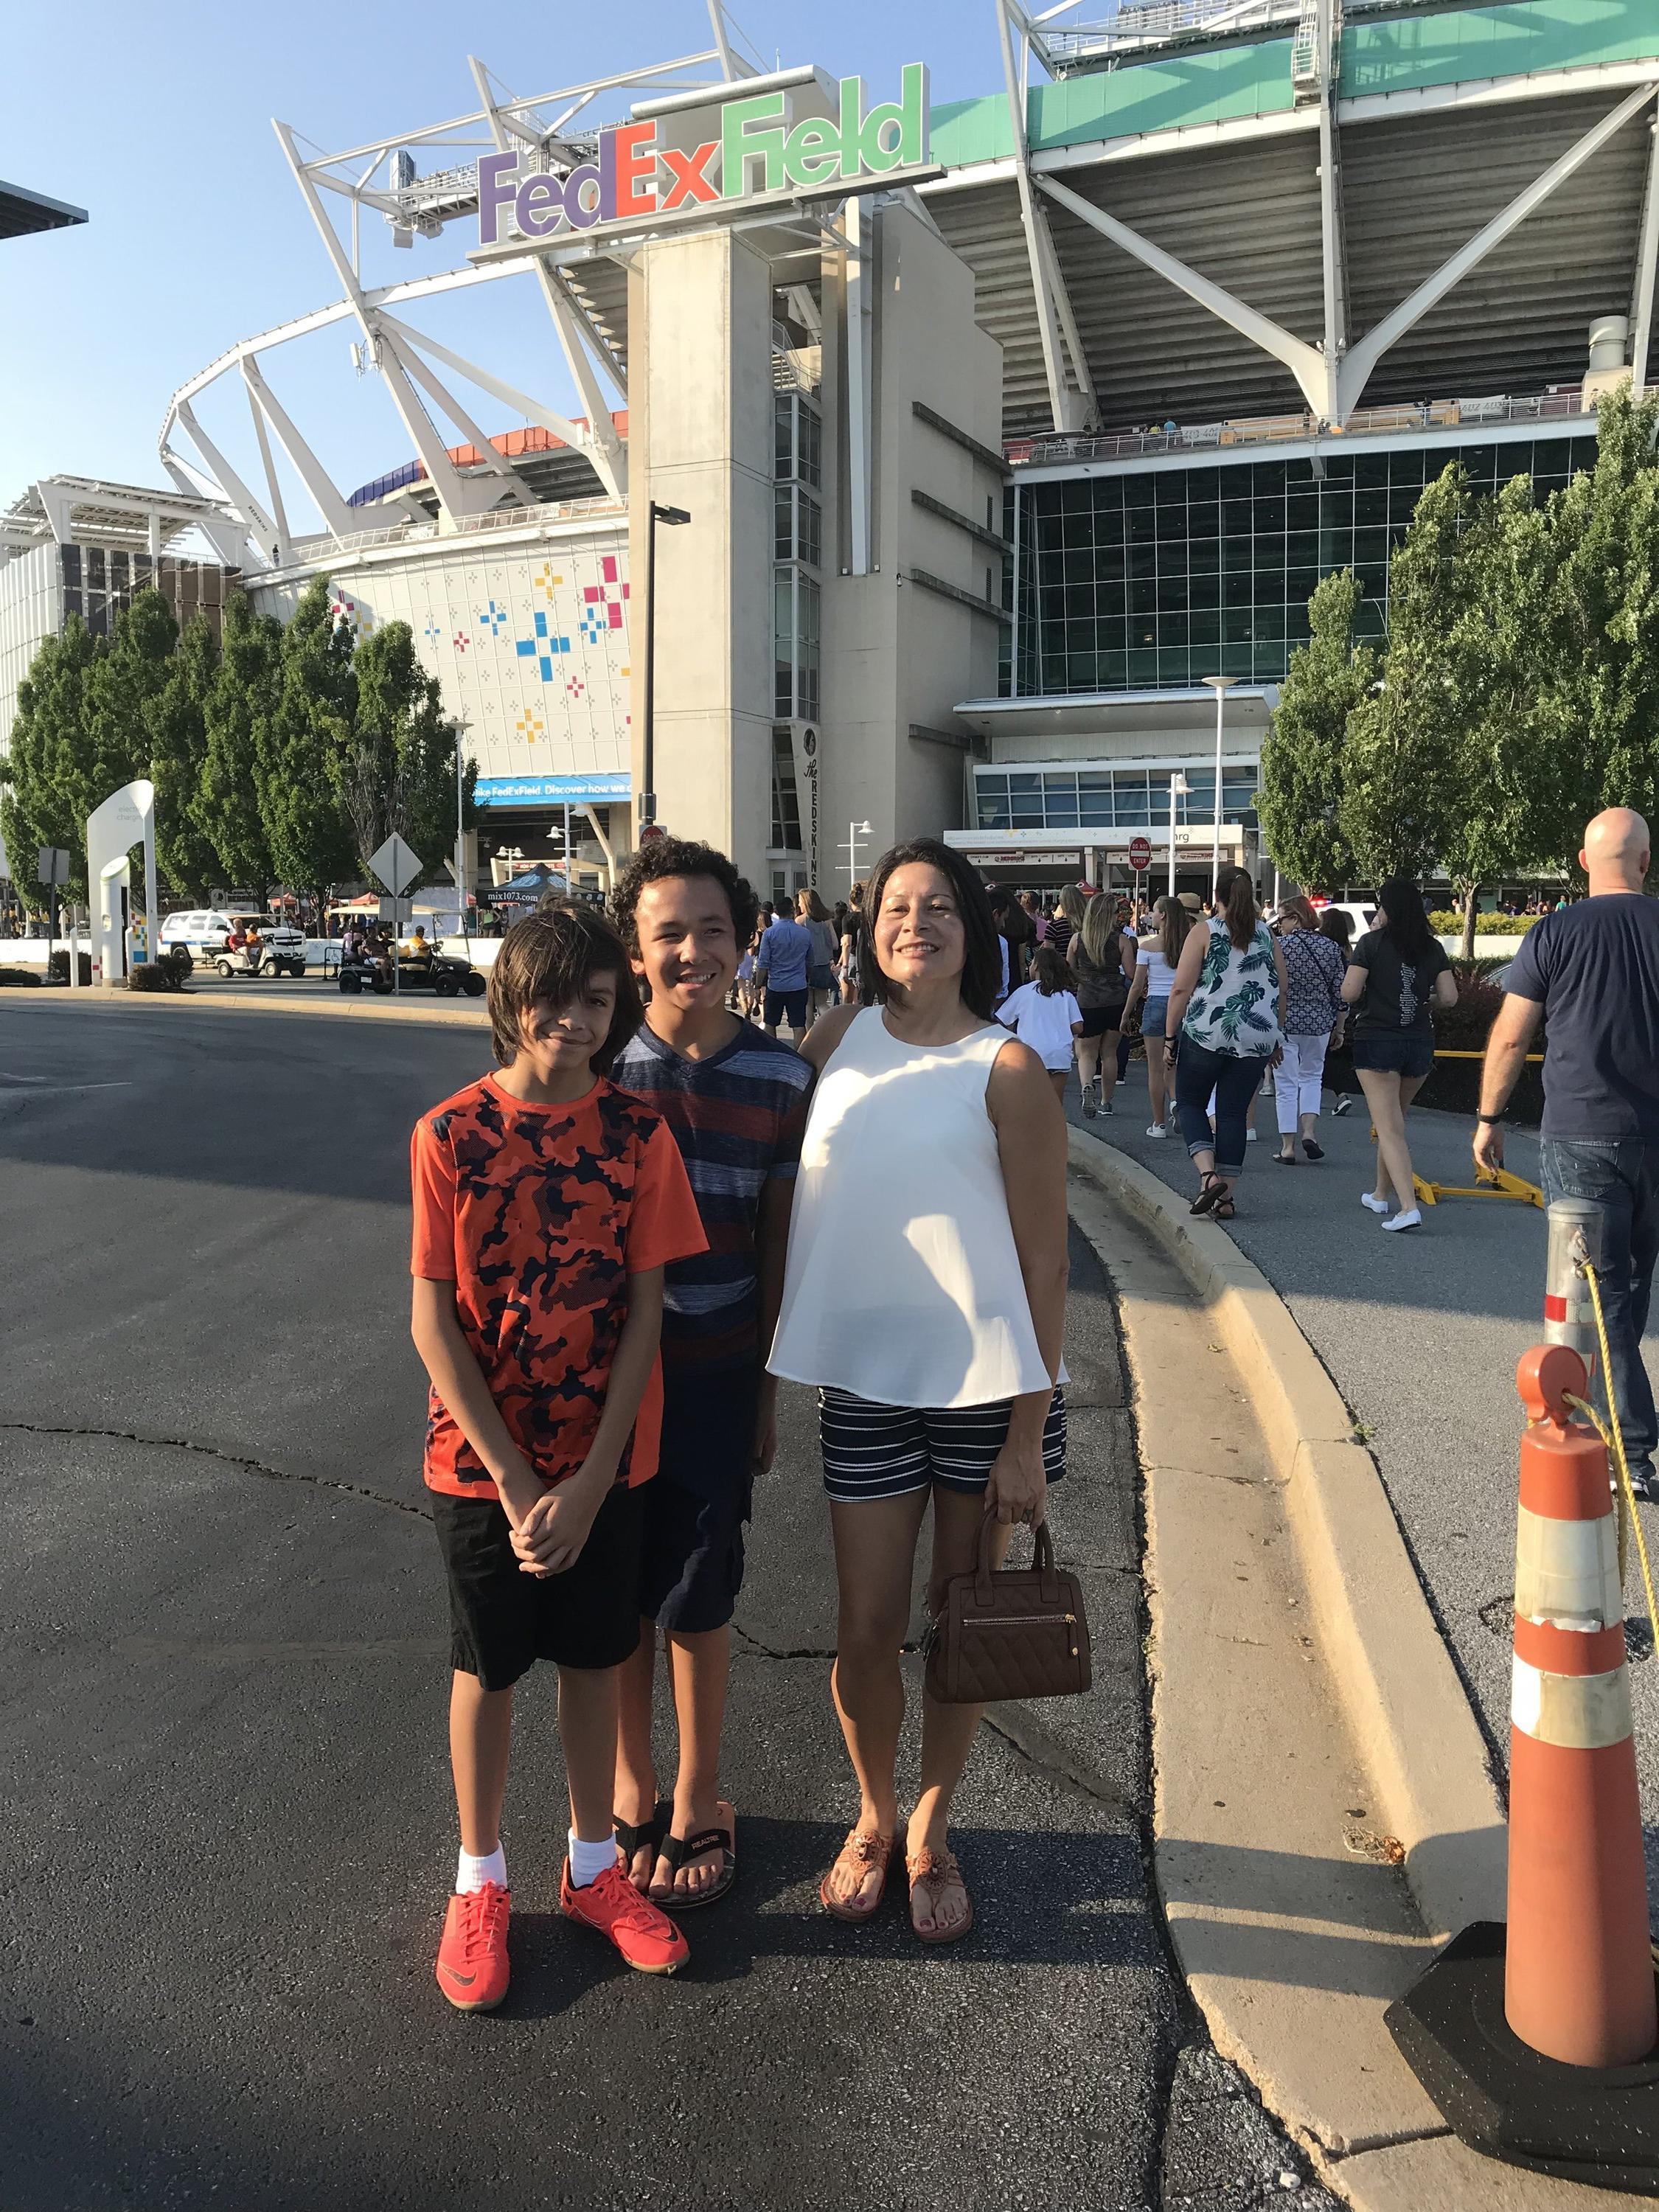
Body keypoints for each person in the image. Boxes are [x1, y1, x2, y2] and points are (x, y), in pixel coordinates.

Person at [768, 838, 1068, 1944]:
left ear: (970, 928)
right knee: (864, 1628)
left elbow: (1045, 1261)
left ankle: (931, 1830)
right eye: (897, 906)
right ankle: (874, 1813)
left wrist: (1029, 1435)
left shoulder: (1007, 1067)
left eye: (939, 906)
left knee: (960, 1621)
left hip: (987, 1394)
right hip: (865, 1384)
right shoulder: (834, 1038)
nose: (917, 922)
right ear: (869, 929)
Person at [410, 904, 709, 2012]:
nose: (573, 1019)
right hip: (478, 1466)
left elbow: (645, 1317)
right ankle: (478, 1879)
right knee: (487, 1669)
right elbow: (433, 1322)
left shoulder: (639, 1136)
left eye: (596, 1000)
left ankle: (593, 1868)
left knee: (594, 1660)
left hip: (603, 1471)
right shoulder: (448, 1134)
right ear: (511, 997)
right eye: (553, 996)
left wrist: (587, 1483)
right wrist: (515, 1479)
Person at [610, 840, 815, 1902]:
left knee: (698, 1587)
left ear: (746, 942)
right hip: (605, 1386)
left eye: (713, 931)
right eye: (668, 934)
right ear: (634, 951)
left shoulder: (782, 1078)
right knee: (617, 1587)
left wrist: (767, 1391)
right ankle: (630, 1783)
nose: (692, 952)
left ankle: (697, 1793)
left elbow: (776, 1246)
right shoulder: (601, 1068)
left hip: (718, 1371)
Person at [1477, 807, 1659, 1498]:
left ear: (1584, 863)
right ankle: (1619, 1420)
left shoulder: (1553, 933)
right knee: (1629, 1287)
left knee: (1595, 1296)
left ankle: (1624, 1449)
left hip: (1581, 1134)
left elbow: (1511, 1035)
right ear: (1645, 862)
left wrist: (1489, 1118)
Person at [1164, 865, 1287, 1222]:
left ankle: (1209, 1177)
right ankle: (1226, 1199)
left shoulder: (1205, 931)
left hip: (1208, 1031)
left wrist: (1170, 1037)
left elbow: (1181, 989)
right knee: (1233, 1113)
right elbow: (1281, 988)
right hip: (1256, 1035)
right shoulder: (1267, 934)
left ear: (1216, 896)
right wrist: (1275, 1036)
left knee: (1190, 1103)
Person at [1342, 880, 1456, 1231]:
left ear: (1387, 907)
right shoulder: (1432, 947)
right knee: (1393, 1122)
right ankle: (1380, 1194)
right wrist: (1422, 999)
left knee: (1389, 1129)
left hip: (1378, 1039)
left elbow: (1349, 992)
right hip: (1418, 1042)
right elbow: (1449, 997)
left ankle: (1408, 1208)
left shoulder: (1371, 943)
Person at [1272, 897, 1348, 1164]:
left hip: (1286, 1023)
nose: (1279, 925)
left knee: (1285, 1084)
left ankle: (1287, 1147)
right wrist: (1340, 1028)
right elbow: (1341, 993)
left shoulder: (1280, 947)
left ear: (1296, 918)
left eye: (1282, 919)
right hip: (1319, 1024)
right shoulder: (1331, 947)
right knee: (1312, 1077)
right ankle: (1309, 1133)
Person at [1122, 894, 1191, 1135]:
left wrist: (1126, 1013)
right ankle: (1176, 1102)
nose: (1151, 915)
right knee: (1175, 1062)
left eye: (1154, 911)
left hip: (1155, 1004)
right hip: (1183, 1005)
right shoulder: (1187, 946)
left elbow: (1137, 985)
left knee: (1155, 1068)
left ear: (1163, 915)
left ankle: (1158, 1124)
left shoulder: (1147, 948)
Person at [1068, 892, 1135, 1117]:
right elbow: (1131, 973)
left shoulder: (1077, 939)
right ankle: (1106, 1102)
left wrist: (1083, 981)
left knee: (1086, 1053)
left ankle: (1087, 1086)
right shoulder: (1121, 940)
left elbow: (1069, 970)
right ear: (1109, 915)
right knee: (1109, 1053)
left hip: (1087, 1000)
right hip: (1115, 1000)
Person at [998, 943, 1084, 1103]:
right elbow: (1078, 1027)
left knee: (1030, 1102)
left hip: (1031, 1054)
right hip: (1059, 1054)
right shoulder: (1065, 995)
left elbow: (1003, 1019)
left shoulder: (1024, 992)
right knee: (1055, 1103)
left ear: (1036, 967)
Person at [754, 901, 814, 1040]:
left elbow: (763, 963)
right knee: (798, 1024)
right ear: (793, 911)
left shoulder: (769, 933)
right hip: (798, 985)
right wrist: (806, 976)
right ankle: (800, 1052)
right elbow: (810, 960)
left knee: (770, 1023)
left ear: (776, 912)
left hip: (776, 985)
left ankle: (773, 1050)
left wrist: (758, 985)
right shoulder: (805, 933)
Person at [796, 887, 841, 1027]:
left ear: (805, 902)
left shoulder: (800, 921)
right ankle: (830, 1027)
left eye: (800, 901)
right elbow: (835, 944)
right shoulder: (826, 920)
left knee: (808, 1004)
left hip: (807, 966)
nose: (798, 905)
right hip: (824, 966)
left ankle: (810, 1034)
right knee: (822, 1003)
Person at [838, 883, 866, 1006]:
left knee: (847, 1001)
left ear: (850, 901)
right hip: (867, 958)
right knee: (862, 999)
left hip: (853, 958)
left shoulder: (848, 918)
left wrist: (844, 966)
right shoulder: (869, 917)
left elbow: (847, 943)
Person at [1046, 883, 1085, 964]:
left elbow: (1049, 958)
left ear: (1062, 903)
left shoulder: (1054, 928)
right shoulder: (1089, 926)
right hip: (1086, 969)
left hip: (1062, 968)